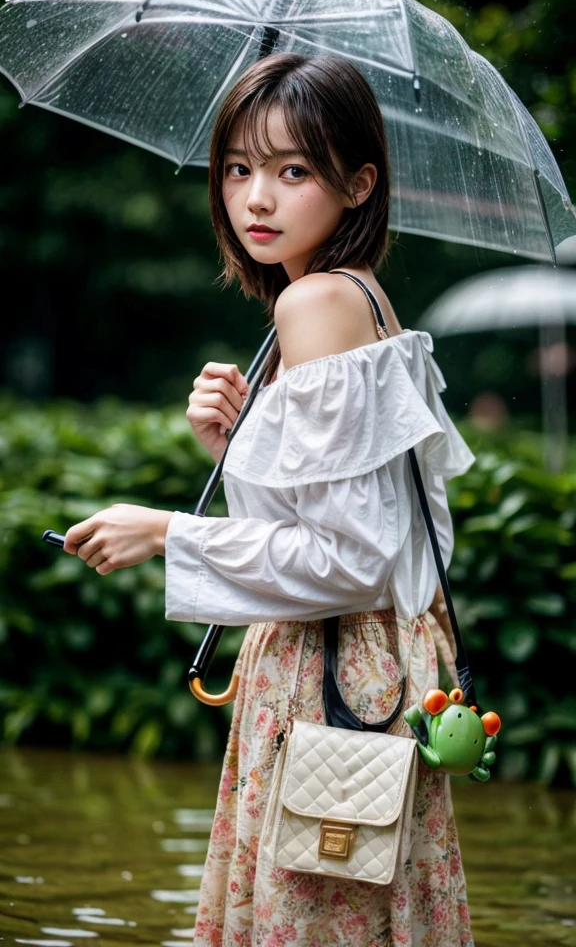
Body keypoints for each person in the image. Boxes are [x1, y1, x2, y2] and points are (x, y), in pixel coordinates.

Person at [64, 52, 476, 947]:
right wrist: (239, 446)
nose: (256, 198)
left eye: (294, 171)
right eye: (241, 168)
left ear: (358, 184)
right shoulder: (354, 297)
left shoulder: (317, 303)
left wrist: (168, 531)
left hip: (329, 680)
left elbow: (349, 563)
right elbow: (371, 530)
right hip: (369, 668)